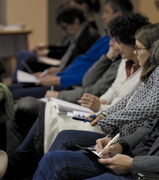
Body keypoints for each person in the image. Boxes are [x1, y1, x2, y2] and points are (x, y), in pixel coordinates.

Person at [32, 23, 159, 180]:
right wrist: (121, 145)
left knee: (60, 166)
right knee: (53, 160)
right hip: (134, 158)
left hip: (150, 173)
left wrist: (133, 164)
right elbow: (152, 125)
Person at [6, 0, 134, 165]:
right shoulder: (123, 61)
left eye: (115, 40)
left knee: (36, 109)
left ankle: (16, 161)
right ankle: (17, 160)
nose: (111, 44)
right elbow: (101, 85)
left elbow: (122, 103)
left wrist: (100, 107)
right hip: (95, 107)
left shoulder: (131, 66)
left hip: (98, 113)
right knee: (20, 104)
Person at [12, 3, 100, 82]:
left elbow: (80, 68)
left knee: (18, 87)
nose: (64, 32)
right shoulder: (81, 34)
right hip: (62, 73)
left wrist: (58, 73)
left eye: (65, 27)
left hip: (65, 79)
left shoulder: (88, 37)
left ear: (76, 21)